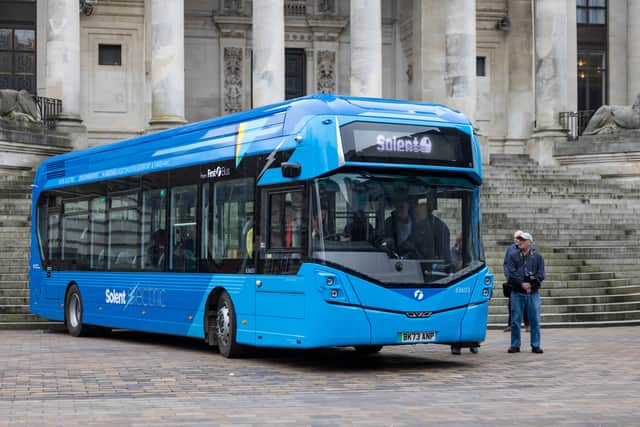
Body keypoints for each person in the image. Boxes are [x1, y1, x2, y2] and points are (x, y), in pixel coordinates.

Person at [505, 232, 545, 354]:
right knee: (515, 320)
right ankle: (515, 344)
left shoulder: (538, 257)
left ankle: (536, 345)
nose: (520, 241)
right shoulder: (513, 256)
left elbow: (541, 275)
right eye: (519, 239)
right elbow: (511, 274)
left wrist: (531, 285)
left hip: (532, 293)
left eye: (523, 240)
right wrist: (522, 284)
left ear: (529, 242)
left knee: (535, 320)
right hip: (517, 292)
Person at [503, 230, 529, 332]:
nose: (516, 239)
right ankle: (510, 324)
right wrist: (508, 275)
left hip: (524, 280)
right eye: (515, 238)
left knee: (527, 303)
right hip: (513, 281)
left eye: (518, 237)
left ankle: (528, 324)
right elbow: (505, 263)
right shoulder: (510, 249)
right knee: (512, 303)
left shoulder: (528, 249)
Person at [411, 198, 451, 263]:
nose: (415, 217)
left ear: (426, 213)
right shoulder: (418, 226)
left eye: (417, 214)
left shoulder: (439, 227)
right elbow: (410, 243)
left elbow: (443, 254)